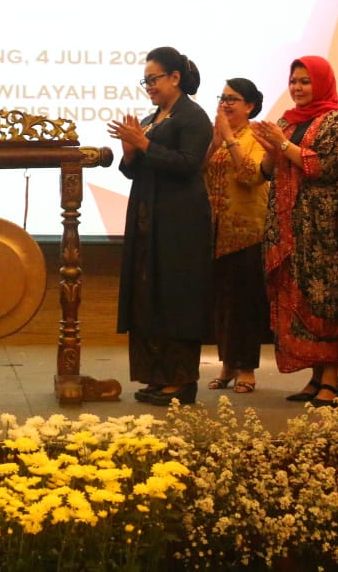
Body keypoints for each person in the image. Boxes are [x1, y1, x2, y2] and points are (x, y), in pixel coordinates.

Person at [107, 47, 213, 407]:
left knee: (175, 295)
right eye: (146, 81)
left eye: (153, 79)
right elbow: (135, 171)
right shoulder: (153, 117)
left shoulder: (193, 117)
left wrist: (144, 143)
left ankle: (180, 380)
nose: (149, 86)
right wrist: (130, 152)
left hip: (180, 223)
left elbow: (189, 164)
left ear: (175, 78)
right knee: (148, 296)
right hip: (148, 218)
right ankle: (157, 374)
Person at [254, 56, 338, 407]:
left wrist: (283, 145)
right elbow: (269, 170)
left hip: (323, 231)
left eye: (305, 81)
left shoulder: (336, 120)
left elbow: (326, 166)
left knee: (325, 301)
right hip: (288, 230)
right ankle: (315, 376)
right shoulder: (287, 121)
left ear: (321, 83)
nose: (297, 88)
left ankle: (331, 378)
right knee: (297, 298)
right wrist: (271, 149)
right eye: (293, 81)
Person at [203, 78, 270, 396]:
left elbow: (251, 175)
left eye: (233, 98)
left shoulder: (255, 136)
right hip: (216, 231)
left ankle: (246, 369)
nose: (225, 103)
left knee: (245, 303)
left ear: (250, 106)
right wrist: (214, 143)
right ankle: (227, 364)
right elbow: (200, 172)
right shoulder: (215, 134)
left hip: (247, 231)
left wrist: (229, 139)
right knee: (222, 303)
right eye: (223, 97)